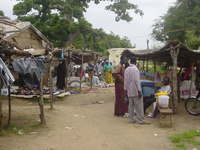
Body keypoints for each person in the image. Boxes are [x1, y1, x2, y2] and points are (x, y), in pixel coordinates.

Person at [124, 57, 150, 124]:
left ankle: (131, 119)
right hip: (135, 90)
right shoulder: (135, 69)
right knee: (139, 106)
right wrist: (139, 90)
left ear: (130, 62)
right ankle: (141, 120)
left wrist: (125, 90)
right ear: (135, 62)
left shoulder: (126, 69)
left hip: (129, 90)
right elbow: (137, 81)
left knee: (131, 105)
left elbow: (125, 81)